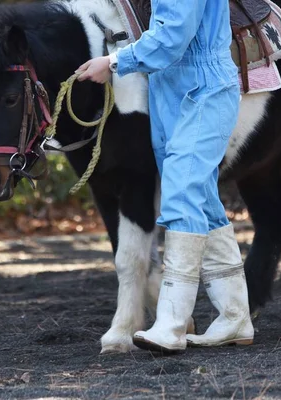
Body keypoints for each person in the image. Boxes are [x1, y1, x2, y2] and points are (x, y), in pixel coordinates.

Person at [76, 0, 254, 353]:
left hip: (201, 91)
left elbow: (173, 36)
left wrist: (114, 61)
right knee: (201, 199)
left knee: (183, 193)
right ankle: (235, 316)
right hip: (170, 92)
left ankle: (171, 323)